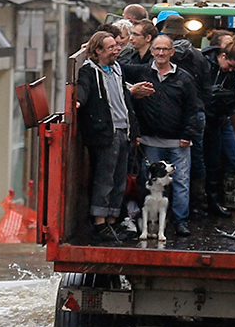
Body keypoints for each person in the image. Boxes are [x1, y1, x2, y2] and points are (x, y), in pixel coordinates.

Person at [122, 34, 200, 237]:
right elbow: (114, 70)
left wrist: (187, 135)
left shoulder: (184, 78)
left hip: (178, 141)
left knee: (181, 182)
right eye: (157, 49)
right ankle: (145, 223)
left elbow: (193, 109)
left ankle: (180, 222)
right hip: (150, 140)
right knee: (146, 182)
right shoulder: (141, 72)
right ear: (152, 51)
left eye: (165, 49)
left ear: (172, 52)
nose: (161, 53)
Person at [77, 31, 139, 242]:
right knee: (104, 179)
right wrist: (77, 102)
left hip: (123, 130)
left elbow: (125, 100)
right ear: (98, 51)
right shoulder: (89, 71)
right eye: (111, 47)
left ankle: (112, 221)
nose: (116, 50)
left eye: (116, 46)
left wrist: (134, 130)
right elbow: (82, 90)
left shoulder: (117, 69)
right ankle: (100, 223)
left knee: (119, 180)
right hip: (107, 133)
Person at [162, 15, 212, 223]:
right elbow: (207, 89)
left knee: (164, 157)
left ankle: (164, 205)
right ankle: (196, 205)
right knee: (195, 159)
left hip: (168, 112)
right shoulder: (198, 57)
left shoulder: (162, 55)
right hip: (195, 113)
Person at [201, 36, 235, 216]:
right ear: (222, 56)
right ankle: (206, 201)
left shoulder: (230, 72)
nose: (230, 70)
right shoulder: (204, 64)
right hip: (205, 118)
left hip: (219, 118)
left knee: (228, 159)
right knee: (206, 163)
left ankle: (223, 200)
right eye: (230, 66)